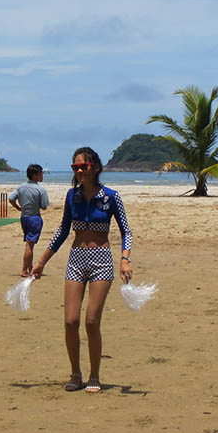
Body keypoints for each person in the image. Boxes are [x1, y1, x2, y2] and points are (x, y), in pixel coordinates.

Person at [30, 147, 132, 394]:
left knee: (91, 320)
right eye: (75, 167)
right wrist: (42, 261)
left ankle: (95, 374)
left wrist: (125, 259)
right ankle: (76, 373)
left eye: (83, 167)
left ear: (94, 167)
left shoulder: (111, 197)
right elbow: (63, 231)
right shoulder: (71, 196)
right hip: (76, 258)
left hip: (101, 259)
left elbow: (126, 231)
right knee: (70, 320)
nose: (78, 172)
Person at [8, 164, 50, 276]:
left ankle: (30, 267)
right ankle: (24, 270)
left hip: (24, 217)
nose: (42, 175)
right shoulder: (40, 189)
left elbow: (11, 199)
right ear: (35, 175)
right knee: (29, 245)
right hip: (34, 217)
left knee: (29, 243)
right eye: (40, 173)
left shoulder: (21, 187)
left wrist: (18, 208)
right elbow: (44, 206)